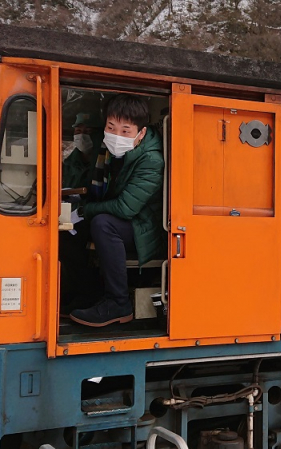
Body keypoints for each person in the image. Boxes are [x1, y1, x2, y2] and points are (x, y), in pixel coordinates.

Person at [60, 94, 165, 327]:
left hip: (144, 228)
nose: (116, 136)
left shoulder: (151, 160)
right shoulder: (105, 151)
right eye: (111, 127)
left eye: (125, 131)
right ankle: (89, 294)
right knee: (65, 229)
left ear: (141, 133)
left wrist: (85, 210)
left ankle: (118, 303)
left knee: (101, 224)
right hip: (120, 219)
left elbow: (126, 208)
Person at [62, 112, 101, 189]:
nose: (82, 136)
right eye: (78, 131)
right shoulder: (67, 165)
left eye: (88, 132)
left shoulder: (103, 163)